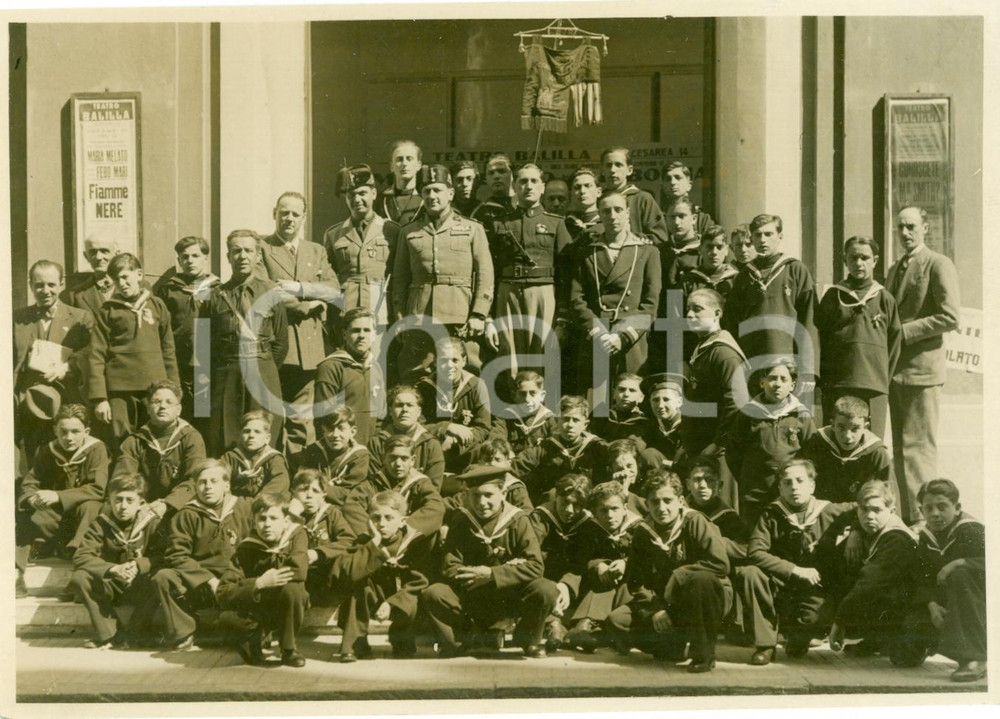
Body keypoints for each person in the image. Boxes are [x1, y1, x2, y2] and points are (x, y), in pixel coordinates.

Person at [420, 468, 558, 658]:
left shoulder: (518, 520)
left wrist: (491, 574)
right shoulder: (461, 520)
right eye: (475, 496)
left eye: (488, 495)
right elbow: (449, 567)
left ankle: (528, 641)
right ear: (467, 496)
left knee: (546, 589)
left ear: (503, 494)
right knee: (433, 593)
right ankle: (463, 638)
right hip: (472, 595)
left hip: (510, 595)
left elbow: (535, 565)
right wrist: (477, 574)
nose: (481, 502)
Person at [606, 470, 731, 673]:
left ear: (681, 500)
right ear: (647, 503)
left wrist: (680, 574)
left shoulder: (695, 521)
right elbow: (635, 582)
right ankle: (674, 645)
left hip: (705, 598)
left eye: (667, 500)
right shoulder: (643, 532)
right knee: (617, 621)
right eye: (654, 502)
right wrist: (656, 609)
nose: (661, 508)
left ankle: (704, 653)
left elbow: (720, 563)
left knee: (701, 580)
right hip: (667, 601)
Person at [886, 206, 961, 523]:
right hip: (895, 373)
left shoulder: (938, 264)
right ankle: (909, 517)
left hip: (922, 372)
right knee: (901, 452)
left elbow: (950, 316)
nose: (905, 233)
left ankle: (925, 521)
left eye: (911, 226)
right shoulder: (893, 270)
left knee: (919, 451)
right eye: (900, 227)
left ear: (925, 228)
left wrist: (904, 332)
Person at [741, 459, 853, 665]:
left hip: (815, 587)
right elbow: (755, 552)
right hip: (782, 583)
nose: (794, 487)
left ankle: (799, 636)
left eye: (800, 481)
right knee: (751, 573)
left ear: (812, 485)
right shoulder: (772, 514)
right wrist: (794, 569)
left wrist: (857, 535)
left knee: (812, 621)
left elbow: (870, 504)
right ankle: (765, 645)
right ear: (780, 487)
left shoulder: (830, 511)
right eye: (787, 482)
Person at [391, 164, 495, 382]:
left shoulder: (472, 229)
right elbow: (400, 278)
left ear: (450, 193)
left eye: (437, 190)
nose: (432, 196)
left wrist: (478, 314)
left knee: (467, 371)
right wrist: (400, 312)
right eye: (426, 191)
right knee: (417, 371)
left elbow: (485, 275)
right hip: (420, 314)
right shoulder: (409, 232)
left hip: (460, 315)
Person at [257, 191, 340, 456]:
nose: (289, 219)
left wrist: (300, 287)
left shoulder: (316, 251)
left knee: (302, 421)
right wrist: (309, 304)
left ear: (304, 217)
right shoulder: (261, 248)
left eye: (295, 214)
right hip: (276, 346)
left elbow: (334, 290)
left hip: (309, 349)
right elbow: (266, 291)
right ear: (274, 214)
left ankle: (297, 473)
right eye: (284, 213)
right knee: (269, 418)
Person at [143, 459, 254, 650]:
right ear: (195, 486)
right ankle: (185, 632)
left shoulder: (245, 507)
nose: (207, 487)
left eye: (214, 481)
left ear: (226, 485)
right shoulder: (186, 515)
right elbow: (177, 555)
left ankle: (253, 628)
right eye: (202, 482)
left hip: (237, 580)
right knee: (163, 577)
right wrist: (208, 580)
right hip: (203, 584)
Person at [201, 230, 288, 455]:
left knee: (265, 432)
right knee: (226, 434)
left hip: (263, 371)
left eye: (248, 250)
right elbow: (203, 350)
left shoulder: (271, 293)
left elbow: (280, 343)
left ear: (258, 255)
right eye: (236, 251)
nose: (242, 256)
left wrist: (262, 368)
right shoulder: (213, 297)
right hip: (227, 373)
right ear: (228, 256)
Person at [819, 480, 920, 664]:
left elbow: (868, 585)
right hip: (890, 603)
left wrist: (838, 623)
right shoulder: (869, 532)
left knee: (903, 660)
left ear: (892, 511)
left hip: (914, 611)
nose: (869, 516)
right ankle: (877, 639)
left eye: (876, 510)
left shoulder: (896, 538)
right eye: (863, 510)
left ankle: (890, 639)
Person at [569, 191, 661, 392]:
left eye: (618, 210)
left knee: (630, 400)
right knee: (596, 403)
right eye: (606, 211)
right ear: (600, 215)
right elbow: (576, 299)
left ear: (627, 213)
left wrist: (622, 337)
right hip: (596, 336)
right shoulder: (586, 252)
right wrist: (598, 333)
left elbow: (650, 304)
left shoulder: (647, 252)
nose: (612, 216)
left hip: (630, 338)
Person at [491, 163, 573, 386]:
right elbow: (492, 269)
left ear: (542, 187)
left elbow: (567, 271)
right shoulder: (500, 223)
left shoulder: (556, 223)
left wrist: (563, 312)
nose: (529, 186)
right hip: (508, 293)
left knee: (541, 353)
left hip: (543, 293)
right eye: (523, 181)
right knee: (509, 355)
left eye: (534, 181)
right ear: (514, 187)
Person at [88, 253, 179, 451]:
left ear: (139, 274)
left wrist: (173, 390)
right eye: (116, 280)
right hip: (120, 390)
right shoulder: (108, 311)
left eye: (125, 277)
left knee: (155, 438)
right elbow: (96, 356)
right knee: (123, 439)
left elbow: (168, 350)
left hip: (154, 388)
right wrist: (100, 398)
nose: (121, 284)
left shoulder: (157, 305)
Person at [15, 404, 108, 594]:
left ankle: (79, 572)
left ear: (86, 431)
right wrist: (32, 497)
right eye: (63, 432)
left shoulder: (96, 449)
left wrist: (58, 495)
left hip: (83, 521)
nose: (69, 438)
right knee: (25, 513)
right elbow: (30, 482)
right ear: (55, 431)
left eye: (75, 432)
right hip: (58, 520)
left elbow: (98, 489)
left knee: (91, 507)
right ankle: (16, 573)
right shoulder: (47, 450)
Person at [724, 213, 819, 394]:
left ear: (780, 236)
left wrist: (808, 369)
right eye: (757, 235)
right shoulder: (744, 276)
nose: (763, 240)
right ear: (751, 238)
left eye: (768, 234)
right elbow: (732, 323)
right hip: (752, 361)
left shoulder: (795, 270)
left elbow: (809, 321)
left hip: (786, 365)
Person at [816, 235, 901, 438]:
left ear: (875, 260)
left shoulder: (884, 299)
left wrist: (881, 378)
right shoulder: (833, 296)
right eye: (853, 258)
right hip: (839, 383)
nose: (858, 263)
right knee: (836, 440)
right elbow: (820, 339)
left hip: (873, 385)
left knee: (870, 443)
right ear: (845, 260)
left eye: (864, 257)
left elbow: (895, 342)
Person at [335, 489, 435, 661]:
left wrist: (391, 604)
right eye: (376, 517)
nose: (381, 524)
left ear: (403, 521)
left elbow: (419, 581)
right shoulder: (363, 541)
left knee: (412, 602)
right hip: (374, 595)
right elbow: (348, 572)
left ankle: (401, 641)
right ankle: (355, 644)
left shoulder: (414, 543)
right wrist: (374, 544)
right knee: (356, 590)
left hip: (400, 597)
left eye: (389, 518)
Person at [13, 260, 94, 465]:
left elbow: (91, 352)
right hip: (27, 402)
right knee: (30, 455)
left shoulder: (80, 318)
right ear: (31, 285)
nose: (45, 291)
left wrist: (67, 367)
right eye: (39, 285)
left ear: (61, 284)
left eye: (51, 284)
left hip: (66, 401)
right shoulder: (15, 319)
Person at [905, 479, 986, 682]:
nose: (935, 514)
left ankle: (974, 658)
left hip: (980, 603)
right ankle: (925, 644)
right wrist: (932, 605)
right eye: (928, 508)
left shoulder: (973, 531)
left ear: (957, 508)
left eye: (942, 507)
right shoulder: (926, 537)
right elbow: (921, 578)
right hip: (947, 601)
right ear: (921, 511)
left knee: (960, 575)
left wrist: (961, 562)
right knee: (902, 655)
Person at [217, 493, 310, 668]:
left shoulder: (297, 536)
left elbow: (298, 570)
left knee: (293, 589)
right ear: (253, 521)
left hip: (285, 606)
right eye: (261, 519)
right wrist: (259, 583)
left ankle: (288, 649)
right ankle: (255, 641)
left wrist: (272, 579)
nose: (267, 524)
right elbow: (223, 591)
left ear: (286, 521)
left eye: (274, 518)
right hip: (258, 609)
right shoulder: (246, 548)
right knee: (226, 618)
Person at [71, 474, 162, 649]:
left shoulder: (152, 523)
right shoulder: (100, 524)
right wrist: (113, 569)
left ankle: (137, 632)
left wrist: (138, 565)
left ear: (140, 503)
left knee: (162, 576)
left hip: (142, 586)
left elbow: (164, 556)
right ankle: (109, 634)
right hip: (113, 585)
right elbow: (82, 556)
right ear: (109, 501)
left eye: (130, 500)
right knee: (80, 577)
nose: (123, 506)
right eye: (118, 500)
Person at [680, 288, 749, 509]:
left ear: (717, 313)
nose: (690, 315)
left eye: (697, 309)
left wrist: (718, 443)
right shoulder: (703, 347)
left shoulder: (723, 353)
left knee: (722, 509)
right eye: (688, 309)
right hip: (701, 444)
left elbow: (736, 401)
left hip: (718, 450)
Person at [727, 356, 816, 525]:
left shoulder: (801, 415)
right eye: (772, 378)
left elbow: (812, 453)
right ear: (762, 382)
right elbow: (733, 452)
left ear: (792, 385)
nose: (777, 384)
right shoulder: (747, 414)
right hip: (755, 493)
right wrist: (749, 477)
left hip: (789, 494)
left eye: (784, 379)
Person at [563, 480, 643, 653]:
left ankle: (600, 627)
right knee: (600, 583)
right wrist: (597, 565)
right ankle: (585, 626)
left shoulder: (639, 528)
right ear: (595, 512)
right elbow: (580, 559)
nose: (609, 515)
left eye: (614, 509)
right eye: (603, 510)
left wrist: (626, 563)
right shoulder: (589, 529)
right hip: (600, 582)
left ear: (625, 508)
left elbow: (647, 558)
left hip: (630, 582)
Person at [152, 235, 220, 429]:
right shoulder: (168, 290)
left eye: (195, 255)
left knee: (205, 410)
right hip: (178, 357)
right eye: (185, 257)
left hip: (207, 358)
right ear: (179, 260)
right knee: (180, 407)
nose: (190, 261)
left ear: (205, 258)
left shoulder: (218, 288)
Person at [112, 380, 207, 517]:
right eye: (156, 402)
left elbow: (194, 479)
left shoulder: (191, 437)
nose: (163, 406)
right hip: (142, 507)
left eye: (169, 402)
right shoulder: (134, 441)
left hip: (179, 506)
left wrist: (167, 504)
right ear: (148, 409)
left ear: (178, 410)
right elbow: (123, 480)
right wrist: (139, 505)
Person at [324, 165, 399, 330]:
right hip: (345, 311)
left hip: (381, 310)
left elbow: (399, 276)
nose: (357, 199)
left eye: (362, 193)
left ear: (374, 193)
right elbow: (329, 278)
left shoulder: (392, 230)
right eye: (351, 195)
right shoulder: (333, 234)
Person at [528, 473, 593, 652]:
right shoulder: (540, 517)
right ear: (556, 496)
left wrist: (566, 585)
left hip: (572, 580)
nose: (570, 510)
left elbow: (582, 561)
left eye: (577, 505)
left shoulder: (587, 522)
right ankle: (553, 625)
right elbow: (533, 555)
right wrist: (554, 590)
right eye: (565, 502)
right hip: (545, 576)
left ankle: (582, 625)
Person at [342, 434, 445, 537]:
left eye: (404, 458)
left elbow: (436, 507)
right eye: (393, 458)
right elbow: (352, 505)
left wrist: (403, 530)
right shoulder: (372, 483)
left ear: (412, 460)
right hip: (376, 537)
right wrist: (372, 532)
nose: (398, 464)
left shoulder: (420, 483)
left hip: (406, 540)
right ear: (383, 458)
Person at [512, 395, 608, 506]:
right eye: (566, 419)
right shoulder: (546, 447)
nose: (570, 425)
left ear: (585, 425)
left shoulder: (596, 446)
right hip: (554, 507)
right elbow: (515, 466)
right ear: (557, 420)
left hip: (587, 507)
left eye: (576, 420)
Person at [416, 336, 492, 474]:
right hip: (434, 448)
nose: (449, 366)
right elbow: (416, 425)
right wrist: (446, 427)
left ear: (464, 361)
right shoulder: (424, 388)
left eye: (455, 360)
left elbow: (483, 427)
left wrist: (455, 441)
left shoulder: (477, 385)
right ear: (435, 363)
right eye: (443, 361)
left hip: (465, 451)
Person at [313, 307, 386, 445]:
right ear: (344, 334)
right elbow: (324, 418)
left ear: (375, 335)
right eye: (355, 330)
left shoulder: (375, 367)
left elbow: (380, 417)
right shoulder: (331, 367)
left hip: (371, 451)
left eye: (367, 330)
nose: (361, 335)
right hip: (343, 450)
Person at [801, 396, 891, 503]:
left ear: (865, 427)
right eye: (841, 427)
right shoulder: (817, 442)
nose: (847, 436)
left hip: (858, 511)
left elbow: (888, 492)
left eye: (855, 428)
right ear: (833, 425)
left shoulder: (876, 452)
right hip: (821, 510)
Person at [367, 384, 446, 490]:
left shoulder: (431, 444)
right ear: (390, 411)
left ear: (419, 411)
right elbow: (373, 483)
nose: (404, 409)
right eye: (399, 405)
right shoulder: (377, 442)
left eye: (410, 405)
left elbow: (433, 488)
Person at [293, 407, 370, 506]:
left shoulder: (359, 455)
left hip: (343, 507)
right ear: (323, 430)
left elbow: (349, 494)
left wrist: (319, 488)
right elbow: (302, 483)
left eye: (341, 428)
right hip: (312, 503)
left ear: (353, 431)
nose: (335, 435)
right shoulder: (312, 451)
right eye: (330, 429)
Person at [600, 147, 668, 246]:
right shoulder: (598, 199)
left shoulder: (642, 199)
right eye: (608, 165)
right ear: (602, 170)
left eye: (618, 165)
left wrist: (630, 238)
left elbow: (659, 237)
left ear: (630, 170)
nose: (612, 170)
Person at [219, 410, 291, 499]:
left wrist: (259, 500)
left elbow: (280, 481)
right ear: (240, 435)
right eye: (246, 431)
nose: (251, 435)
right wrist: (229, 499)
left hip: (264, 503)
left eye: (257, 432)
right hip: (237, 504)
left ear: (267, 438)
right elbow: (218, 477)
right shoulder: (230, 457)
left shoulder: (273, 458)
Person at [492, 370, 558, 453]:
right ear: (514, 395)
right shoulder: (505, 417)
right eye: (522, 394)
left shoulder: (550, 419)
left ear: (542, 395)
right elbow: (496, 439)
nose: (527, 399)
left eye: (533, 393)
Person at [681, 225, 739, 302]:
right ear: (700, 249)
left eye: (719, 247)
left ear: (726, 250)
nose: (714, 252)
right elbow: (672, 313)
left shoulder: (737, 279)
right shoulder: (686, 281)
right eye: (709, 246)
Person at [639, 373, 683, 471]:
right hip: (660, 475)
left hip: (685, 474)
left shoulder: (691, 425)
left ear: (679, 402)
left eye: (666, 399)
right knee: (649, 454)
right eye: (655, 400)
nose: (660, 405)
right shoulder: (650, 425)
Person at [590, 372, 651, 443]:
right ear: (614, 394)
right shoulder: (600, 417)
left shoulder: (645, 423)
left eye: (632, 390)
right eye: (622, 389)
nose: (626, 394)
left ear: (641, 397)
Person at [376, 139, 425, 225]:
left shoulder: (426, 197)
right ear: (391, 166)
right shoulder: (380, 200)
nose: (404, 163)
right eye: (399, 159)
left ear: (419, 165)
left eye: (409, 159)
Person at [660, 161, 715, 235]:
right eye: (668, 179)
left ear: (689, 185)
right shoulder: (658, 218)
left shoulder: (702, 220)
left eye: (678, 178)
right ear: (663, 186)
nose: (672, 182)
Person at [470, 153, 517, 227]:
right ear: (486, 179)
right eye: (491, 173)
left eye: (501, 171)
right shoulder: (480, 213)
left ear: (512, 175)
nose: (496, 176)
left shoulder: (524, 205)